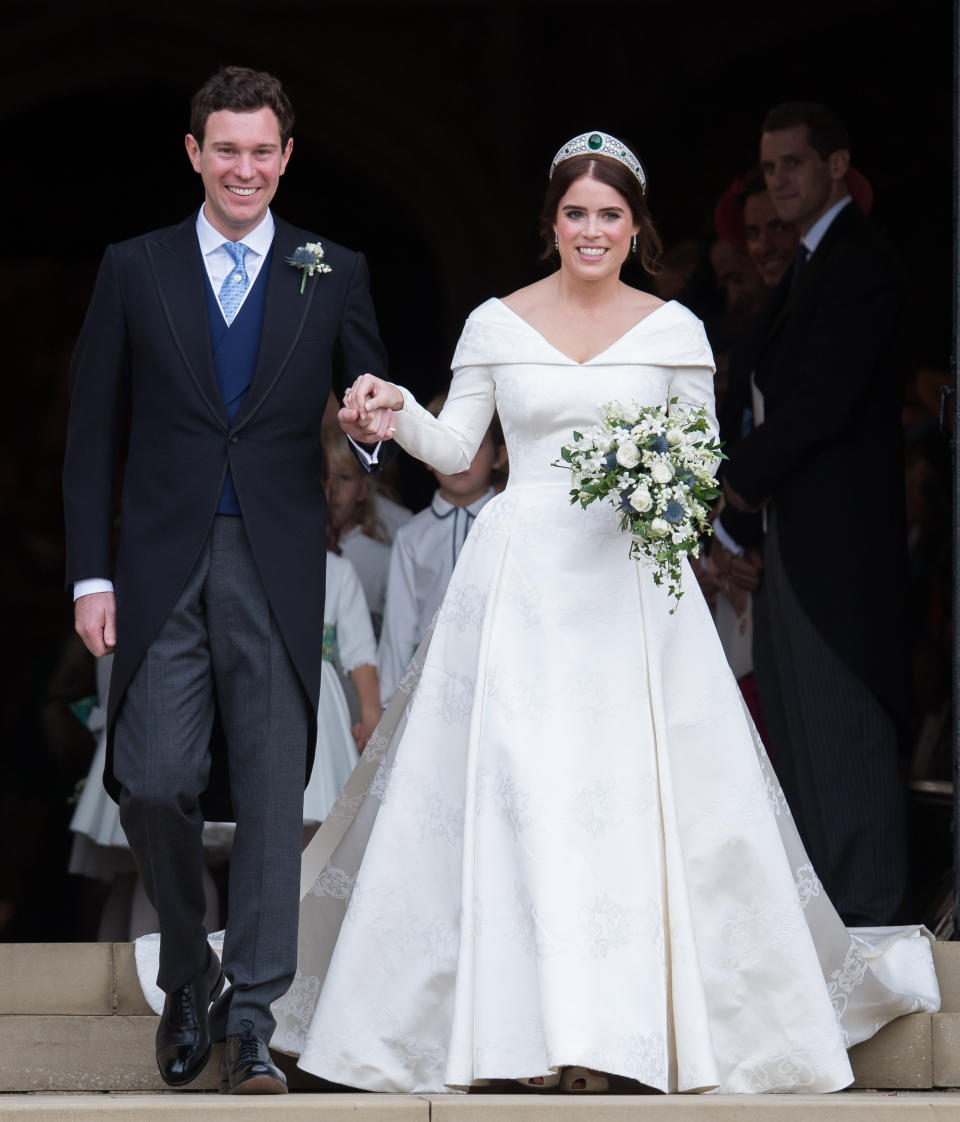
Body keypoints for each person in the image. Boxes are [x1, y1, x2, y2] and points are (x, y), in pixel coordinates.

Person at [257, 132, 938, 1095]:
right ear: (553, 222)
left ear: (634, 227)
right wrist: (393, 411)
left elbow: (702, 467)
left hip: (628, 595)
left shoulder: (675, 332)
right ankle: (524, 1041)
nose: (591, 229)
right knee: (520, 804)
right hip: (520, 588)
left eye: (609, 214)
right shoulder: (497, 322)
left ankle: (615, 1041)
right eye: (575, 212)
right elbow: (458, 452)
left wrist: (660, 487)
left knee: (627, 812)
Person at [62, 66, 387, 1094]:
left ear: (286, 158)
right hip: (158, 564)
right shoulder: (134, 266)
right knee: (151, 778)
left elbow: (375, 417)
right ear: (194, 153)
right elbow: (90, 434)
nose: (245, 168)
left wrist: (377, 430)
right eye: (226, 149)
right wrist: (89, 576)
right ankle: (193, 970)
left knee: (268, 792)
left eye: (263, 151)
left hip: (281, 564)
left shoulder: (334, 270)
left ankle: (255, 1021)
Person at [719, 102, 911, 927]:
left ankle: (872, 929)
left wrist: (732, 484)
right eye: (768, 169)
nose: (780, 182)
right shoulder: (803, 266)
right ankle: (832, 934)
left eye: (793, 164)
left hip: (837, 545)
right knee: (801, 740)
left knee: (844, 732)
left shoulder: (857, 260)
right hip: (791, 536)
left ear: (837, 166)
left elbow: (821, 401)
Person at [376, 403, 506, 705]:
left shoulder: (510, 527)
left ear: (500, 455)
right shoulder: (412, 537)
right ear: (427, 456)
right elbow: (399, 625)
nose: (461, 458)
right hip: (429, 684)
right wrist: (388, 703)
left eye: (474, 444)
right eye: (447, 444)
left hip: (495, 678)